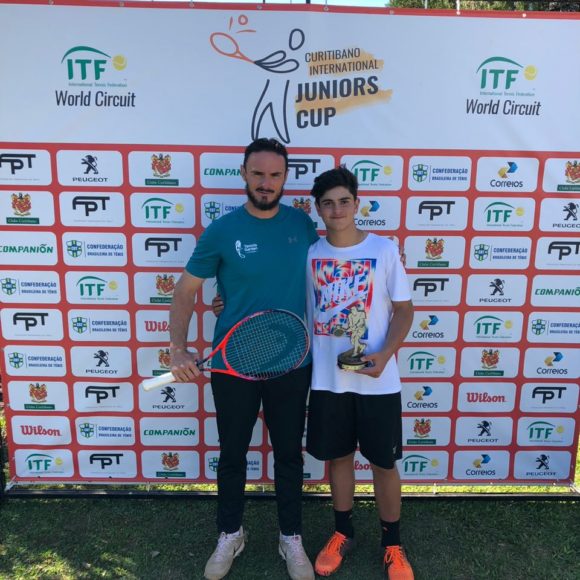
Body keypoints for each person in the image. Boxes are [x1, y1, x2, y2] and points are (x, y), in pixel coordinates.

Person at [168, 138, 317, 580]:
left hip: (292, 361)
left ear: (285, 178)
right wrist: (178, 348)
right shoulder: (222, 230)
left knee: (289, 455)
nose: (266, 183)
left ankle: (291, 536)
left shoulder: (303, 225)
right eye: (258, 174)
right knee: (232, 453)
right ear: (244, 175)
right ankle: (230, 532)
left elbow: (332, 269)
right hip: (233, 364)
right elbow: (185, 290)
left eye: (275, 175)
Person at [305, 166, 415, 579]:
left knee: (384, 463)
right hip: (328, 380)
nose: (337, 210)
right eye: (328, 204)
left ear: (357, 204)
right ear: (318, 210)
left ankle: (392, 544)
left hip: (378, 381)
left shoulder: (384, 250)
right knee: (339, 459)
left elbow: (404, 310)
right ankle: (342, 533)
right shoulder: (310, 255)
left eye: (344, 202)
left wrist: (385, 354)